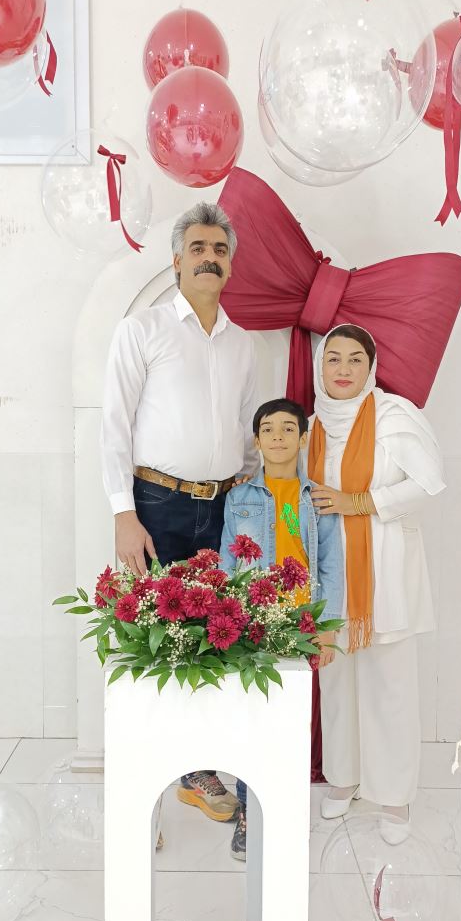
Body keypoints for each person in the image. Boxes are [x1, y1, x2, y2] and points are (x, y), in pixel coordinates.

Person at [101, 201, 258, 824]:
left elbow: (248, 432)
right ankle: (148, 787)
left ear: (230, 264)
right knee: (156, 642)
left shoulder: (243, 344)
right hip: (156, 505)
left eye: (219, 250)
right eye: (198, 248)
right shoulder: (141, 330)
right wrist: (123, 512)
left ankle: (200, 769)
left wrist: (250, 503)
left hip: (224, 507)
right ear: (176, 260)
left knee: (217, 640)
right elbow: (114, 424)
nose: (209, 259)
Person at [308, 324, 445, 844]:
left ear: (371, 369)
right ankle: (343, 779)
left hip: (384, 570)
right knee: (336, 680)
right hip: (329, 572)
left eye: (355, 360)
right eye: (333, 359)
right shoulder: (312, 425)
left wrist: (361, 503)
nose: (343, 370)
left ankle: (392, 797)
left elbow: (428, 484)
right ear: (320, 367)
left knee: (390, 685)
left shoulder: (394, 416)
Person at [219, 397, 344, 859]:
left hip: (299, 623)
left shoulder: (318, 499)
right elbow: (229, 559)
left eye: (288, 428)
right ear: (256, 440)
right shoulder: (239, 498)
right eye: (268, 429)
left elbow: (330, 565)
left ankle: (286, 812)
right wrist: (229, 617)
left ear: (303, 438)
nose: (277, 437)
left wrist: (326, 629)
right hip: (254, 622)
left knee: (291, 721)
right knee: (251, 718)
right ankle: (249, 814)